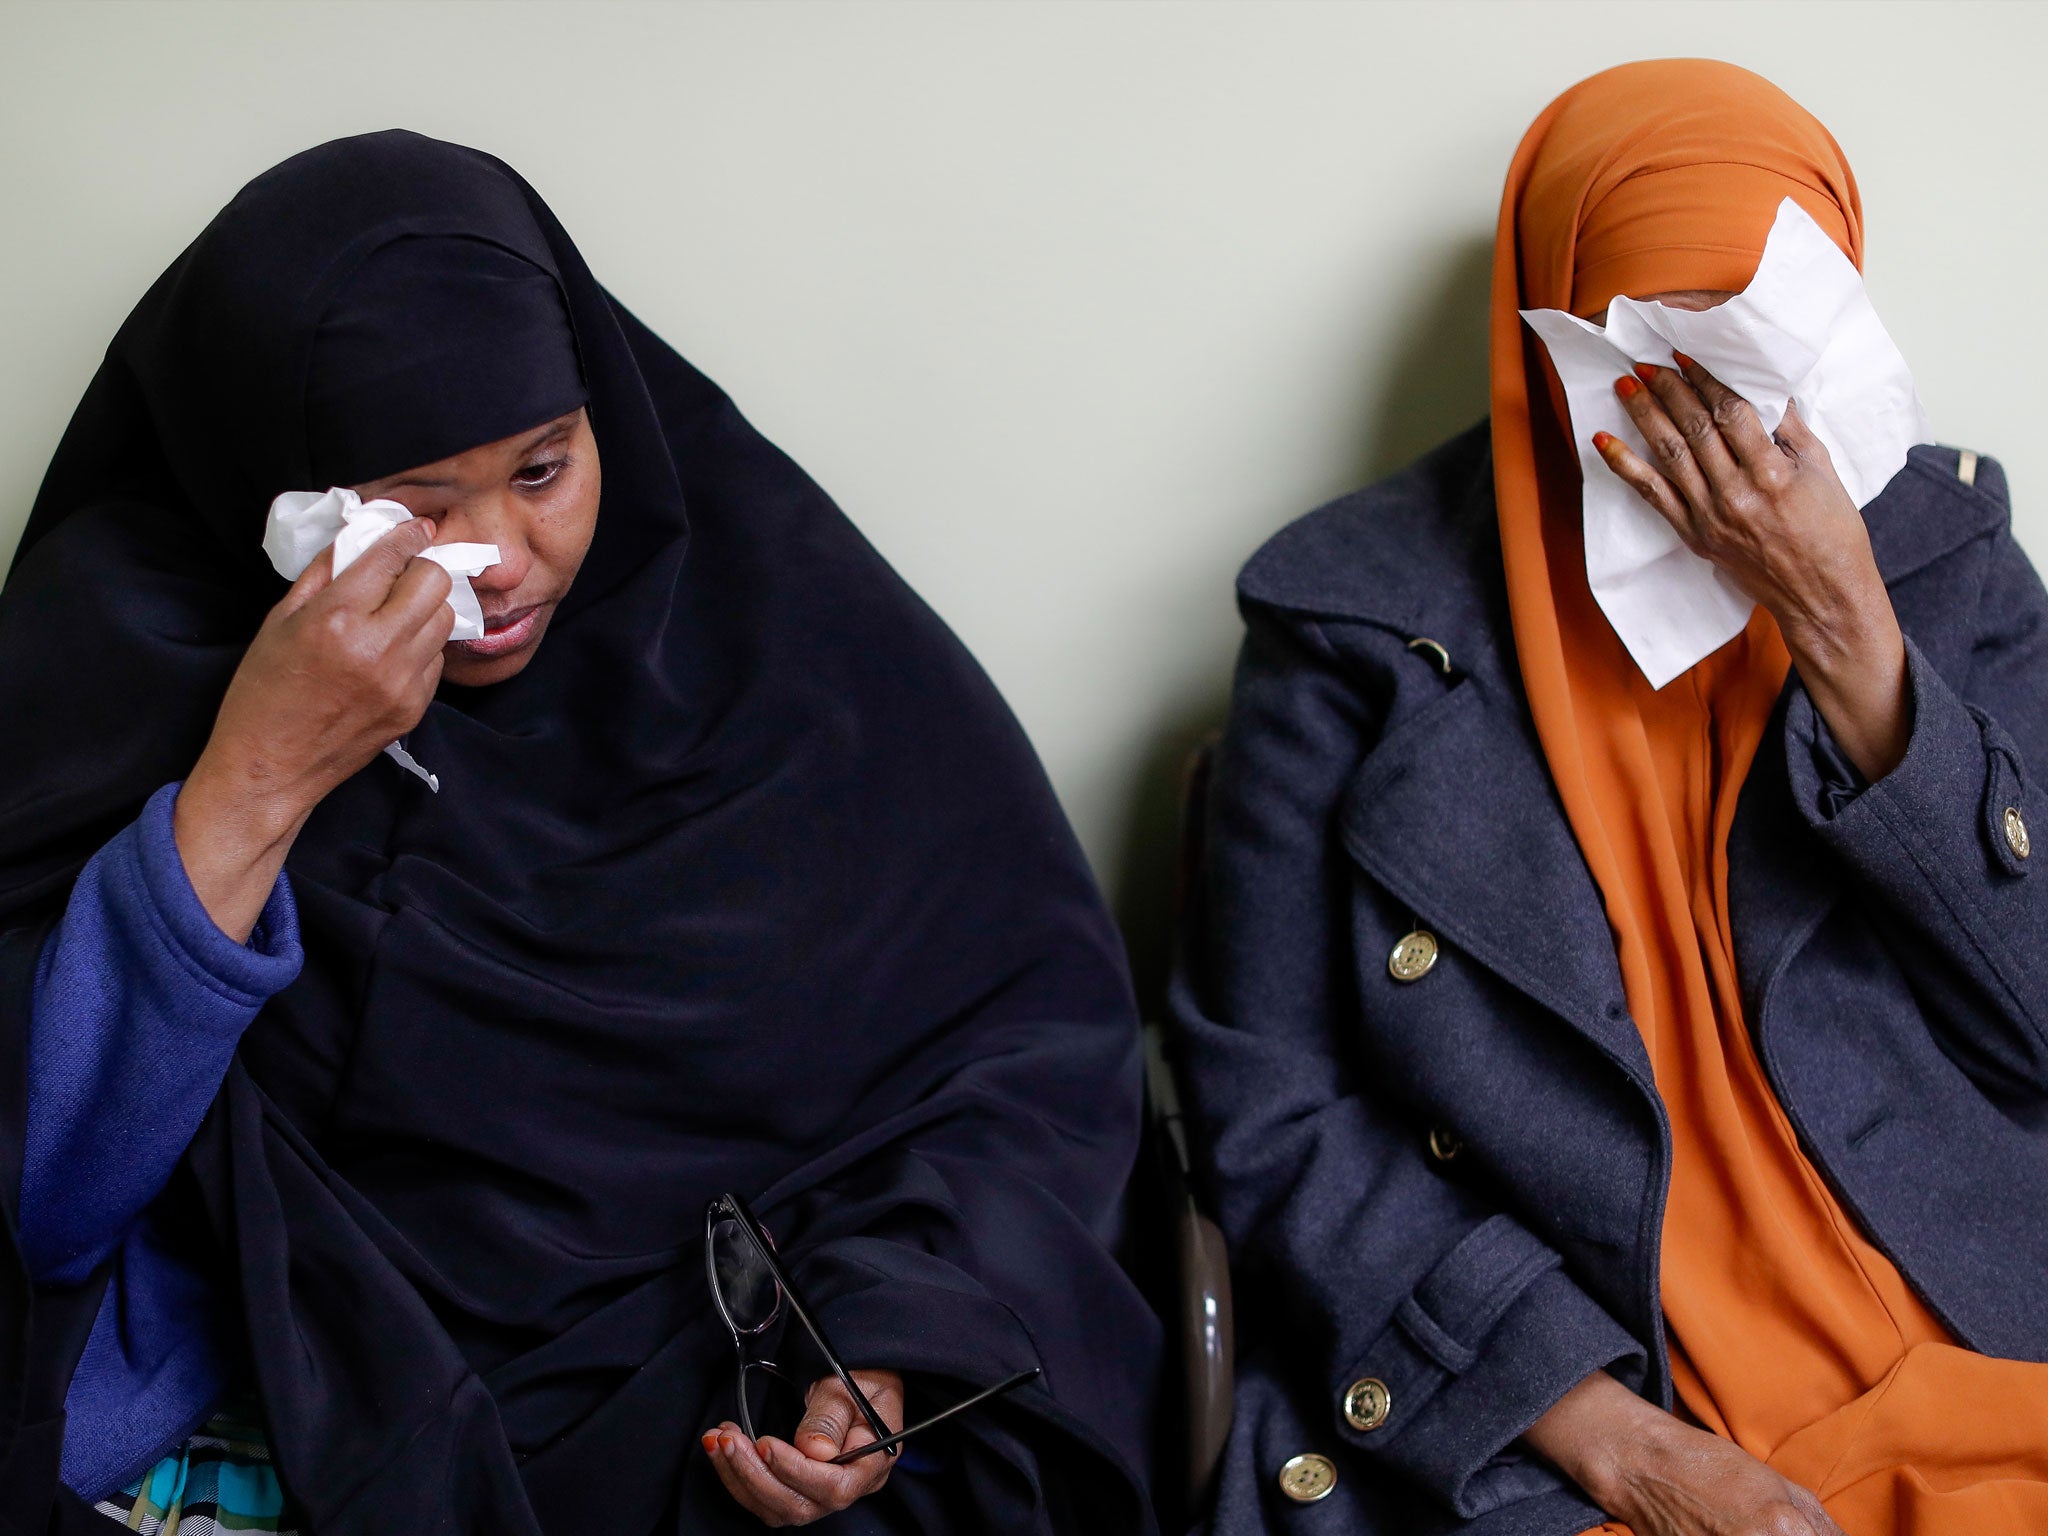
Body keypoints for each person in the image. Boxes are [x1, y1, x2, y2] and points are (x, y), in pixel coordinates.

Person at [0, 130, 1157, 1535]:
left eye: (543, 472)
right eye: (419, 506)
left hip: (696, 1387)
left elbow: (1023, 1045)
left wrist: (889, 1342)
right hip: (246, 1385)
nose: (506, 560)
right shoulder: (116, 652)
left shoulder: (771, 630)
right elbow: (48, 1198)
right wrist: (258, 775)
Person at [1173, 59, 2048, 1536]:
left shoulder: (1942, 556)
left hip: (1971, 1315)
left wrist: (1852, 638)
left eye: (1770, 348)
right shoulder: (1349, 631)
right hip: (1574, 1383)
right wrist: (1618, 1442)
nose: (1731, 431)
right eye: (1668, 348)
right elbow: (1271, 1109)